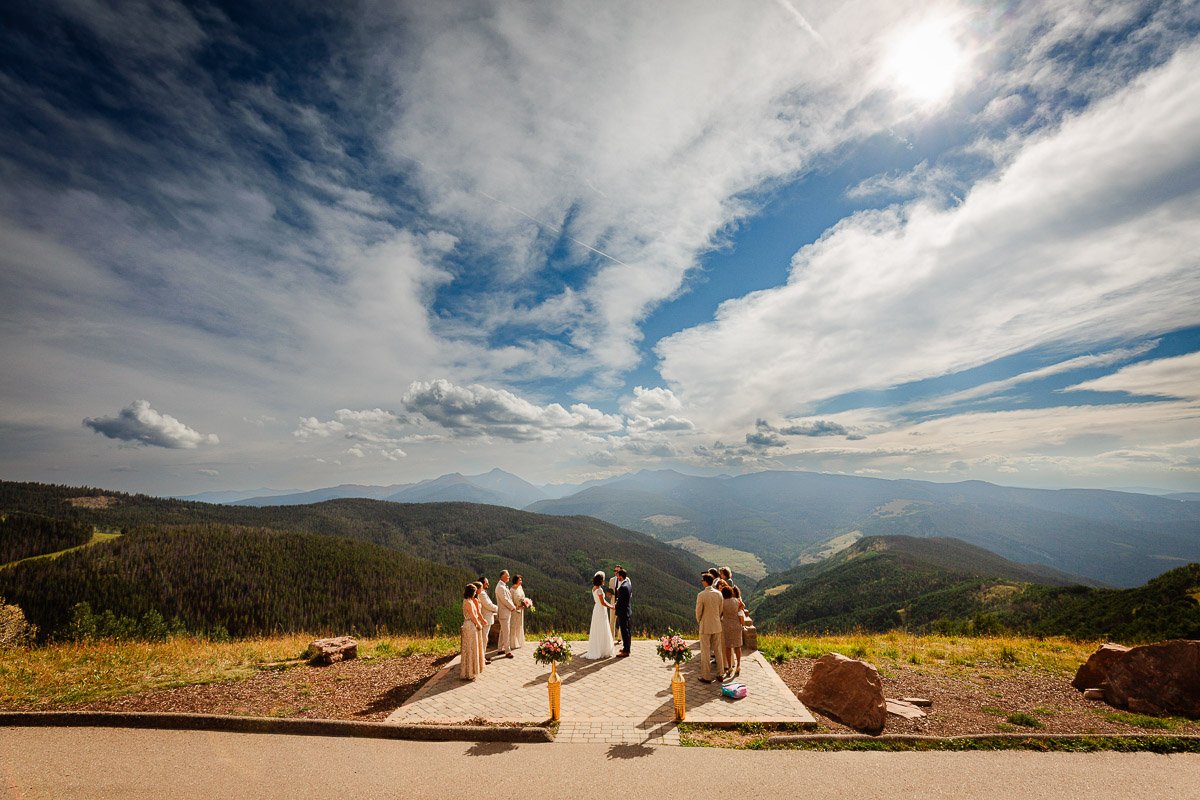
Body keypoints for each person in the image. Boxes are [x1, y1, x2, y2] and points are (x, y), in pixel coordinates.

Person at [695, 573, 724, 682]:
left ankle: (706, 676)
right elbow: (721, 610)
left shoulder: (701, 595)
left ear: (706, 581)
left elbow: (698, 612)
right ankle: (720, 673)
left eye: (702, 580)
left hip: (705, 626)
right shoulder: (719, 594)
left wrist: (700, 621)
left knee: (705, 651)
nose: (702, 582)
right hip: (717, 625)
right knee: (718, 650)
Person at [584, 572, 616, 659]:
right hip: (601, 609)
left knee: (597, 628)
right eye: (603, 579)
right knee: (603, 627)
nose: (604, 581)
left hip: (596, 609)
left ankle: (597, 648)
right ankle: (603, 649)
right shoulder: (600, 590)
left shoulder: (594, 588)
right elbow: (603, 602)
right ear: (600, 580)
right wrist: (612, 607)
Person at [460, 584, 484, 680]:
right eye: (474, 592)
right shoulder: (469, 603)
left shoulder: (466, 601)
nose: (475, 593)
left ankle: (467, 671)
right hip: (470, 626)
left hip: (467, 625)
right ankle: (470, 673)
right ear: (471, 592)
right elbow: (473, 616)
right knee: (471, 648)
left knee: (468, 648)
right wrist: (479, 624)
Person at [720, 584, 743, 679]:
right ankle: (738, 666)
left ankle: (729, 667)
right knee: (738, 646)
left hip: (726, 626)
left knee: (728, 647)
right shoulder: (736, 601)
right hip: (737, 625)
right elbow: (742, 607)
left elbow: (720, 614)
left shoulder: (722, 603)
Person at [495, 570, 516, 658]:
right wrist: (513, 607)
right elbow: (505, 600)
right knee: (506, 632)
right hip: (504, 613)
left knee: (502, 631)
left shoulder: (503, 586)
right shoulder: (500, 587)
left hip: (505, 612)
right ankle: (507, 651)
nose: (509, 577)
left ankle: (500, 649)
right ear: (502, 576)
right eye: (507, 575)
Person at [478, 575, 497, 664]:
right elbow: (488, 605)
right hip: (485, 618)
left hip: (486, 618)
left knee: (484, 638)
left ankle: (482, 657)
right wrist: (499, 608)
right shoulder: (481, 594)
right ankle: (482, 658)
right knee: (484, 639)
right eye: (486, 582)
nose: (488, 584)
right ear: (482, 584)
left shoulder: (482, 592)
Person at [614, 568, 632, 657]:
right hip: (627, 610)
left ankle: (626, 651)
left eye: (618, 576)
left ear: (621, 576)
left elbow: (621, 602)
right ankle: (626, 648)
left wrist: (615, 605)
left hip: (623, 612)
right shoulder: (628, 584)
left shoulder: (623, 587)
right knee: (627, 631)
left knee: (625, 631)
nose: (617, 578)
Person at [470, 581, 486, 672]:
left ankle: (480, 659)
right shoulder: (475, 600)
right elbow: (477, 613)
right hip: (477, 621)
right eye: (481, 588)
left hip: (477, 620)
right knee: (480, 641)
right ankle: (480, 660)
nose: (482, 589)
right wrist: (483, 620)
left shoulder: (475, 599)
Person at [510, 574, 527, 649]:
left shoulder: (520, 587)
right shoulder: (511, 590)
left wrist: (525, 603)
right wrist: (517, 606)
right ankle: (513, 643)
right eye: (520, 580)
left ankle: (519, 642)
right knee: (514, 626)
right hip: (514, 610)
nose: (521, 581)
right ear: (516, 581)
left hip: (521, 609)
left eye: (521, 580)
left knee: (520, 625)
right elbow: (510, 601)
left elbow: (523, 597)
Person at [608, 566, 622, 643]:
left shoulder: (626, 580)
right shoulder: (611, 580)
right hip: (613, 602)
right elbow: (610, 591)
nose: (616, 572)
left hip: (621, 602)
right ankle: (611, 638)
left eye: (617, 570)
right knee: (612, 620)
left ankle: (620, 638)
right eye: (615, 570)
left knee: (621, 620)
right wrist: (609, 594)